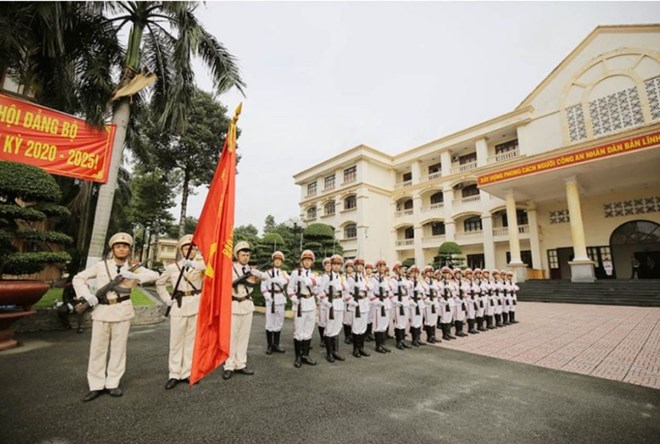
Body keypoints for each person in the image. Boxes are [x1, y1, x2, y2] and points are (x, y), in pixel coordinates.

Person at [73, 232, 159, 402]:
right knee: (98, 350)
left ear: (129, 250)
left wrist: (135, 276)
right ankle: (96, 385)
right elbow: (78, 278)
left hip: (122, 311)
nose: (121, 249)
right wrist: (86, 295)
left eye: (125, 246)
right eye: (118, 246)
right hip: (102, 311)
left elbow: (155, 275)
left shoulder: (134, 267)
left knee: (118, 350)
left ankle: (112, 383)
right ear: (112, 249)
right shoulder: (101, 265)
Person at [156, 235, 205, 390]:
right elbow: (160, 283)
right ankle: (174, 374)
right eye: (186, 248)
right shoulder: (173, 267)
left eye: (193, 248)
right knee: (176, 342)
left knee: (191, 342)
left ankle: (187, 372)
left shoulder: (200, 265)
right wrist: (166, 299)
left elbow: (212, 270)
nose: (190, 250)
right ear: (181, 250)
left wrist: (195, 265)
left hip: (195, 305)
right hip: (178, 305)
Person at [222, 241, 268, 380]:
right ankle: (229, 365)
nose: (246, 257)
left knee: (243, 337)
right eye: (243, 254)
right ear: (237, 255)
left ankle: (241, 364)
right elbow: (224, 284)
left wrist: (256, 272)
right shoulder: (230, 268)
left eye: (248, 254)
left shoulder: (251, 270)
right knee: (232, 337)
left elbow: (266, 276)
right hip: (234, 305)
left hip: (247, 305)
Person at [287, 250, 319, 368]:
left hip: (311, 303)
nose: (307, 262)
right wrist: (294, 299)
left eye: (309, 260)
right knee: (298, 332)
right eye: (305, 260)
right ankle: (298, 357)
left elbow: (316, 290)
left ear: (312, 262)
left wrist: (315, 287)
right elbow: (290, 289)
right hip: (300, 304)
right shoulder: (296, 273)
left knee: (308, 331)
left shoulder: (314, 274)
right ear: (301, 261)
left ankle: (305, 355)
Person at [261, 251, 289, 355]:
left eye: (279, 260)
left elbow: (288, 280)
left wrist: (279, 280)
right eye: (276, 260)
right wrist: (267, 296)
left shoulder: (284, 273)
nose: (277, 261)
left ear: (281, 262)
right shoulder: (267, 273)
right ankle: (269, 345)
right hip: (271, 299)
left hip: (280, 298)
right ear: (273, 261)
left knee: (279, 322)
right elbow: (263, 287)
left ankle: (276, 344)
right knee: (269, 323)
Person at [320, 254, 346, 363]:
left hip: (339, 303)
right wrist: (326, 302)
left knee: (337, 328)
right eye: (334, 264)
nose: (336, 266)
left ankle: (335, 352)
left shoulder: (341, 277)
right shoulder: (326, 277)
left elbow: (346, 290)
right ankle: (329, 353)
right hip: (331, 305)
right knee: (329, 329)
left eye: (338, 264)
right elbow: (320, 292)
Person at [370, 259, 392, 353]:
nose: (382, 268)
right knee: (378, 325)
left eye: (384, 266)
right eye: (380, 266)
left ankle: (383, 344)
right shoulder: (373, 279)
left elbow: (390, 289)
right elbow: (370, 293)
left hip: (386, 302)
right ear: (377, 267)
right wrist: (376, 301)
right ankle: (378, 345)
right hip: (378, 303)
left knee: (384, 324)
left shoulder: (386, 279)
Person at [389, 262, 411, 350]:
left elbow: (408, 287)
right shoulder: (393, 280)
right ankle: (399, 341)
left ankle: (403, 340)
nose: (403, 271)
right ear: (396, 270)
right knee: (399, 323)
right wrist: (395, 301)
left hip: (405, 302)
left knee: (404, 322)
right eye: (401, 269)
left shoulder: (404, 279)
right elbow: (390, 292)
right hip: (398, 302)